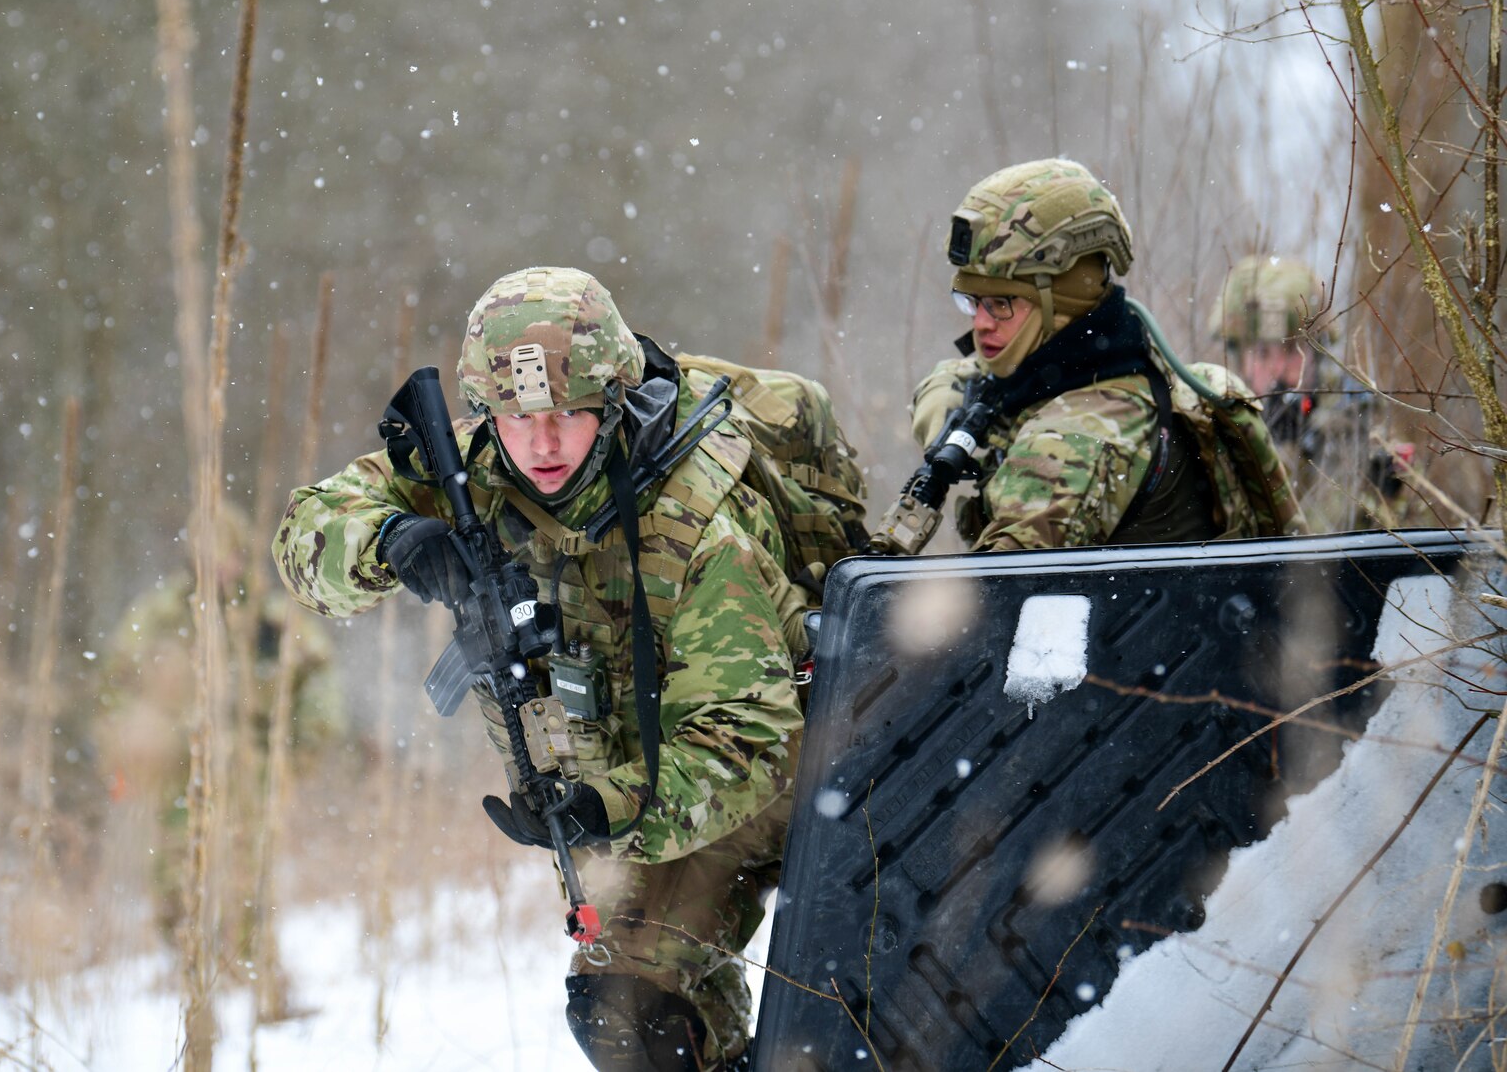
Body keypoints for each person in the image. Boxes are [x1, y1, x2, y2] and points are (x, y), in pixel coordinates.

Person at [273, 266, 866, 1072]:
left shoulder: (696, 526)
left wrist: (605, 806)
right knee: (630, 1014)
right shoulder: (474, 470)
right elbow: (304, 536)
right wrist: (391, 543)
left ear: (613, 401)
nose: (542, 443)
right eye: (517, 419)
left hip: (780, 774)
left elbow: (747, 739)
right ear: (486, 415)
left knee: (645, 1009)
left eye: (568, 415)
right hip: (635, 778)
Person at [905, 159, 1302, 552]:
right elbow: (959, 374)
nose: (981, 324)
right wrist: (944, 410)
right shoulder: (1112, 369)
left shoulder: (1074, 444)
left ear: (1060, 302)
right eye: (971, 302)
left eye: (1001, 303)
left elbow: (989, 607)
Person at [93, 504, 343, 935]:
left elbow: (320, 690)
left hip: (254, 768)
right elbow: (115, 687)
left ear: (243, 555)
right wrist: (129, 755)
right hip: (178, 771)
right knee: (176, 880)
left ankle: (250, 971)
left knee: (248, 880)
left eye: (226, 553)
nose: (218, 564)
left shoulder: (272, 617)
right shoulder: (161, 616)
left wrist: (297, 758)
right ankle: (192, 975)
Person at [1211, 254, 1436, 532]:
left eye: (1293, 350)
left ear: (1318, 352)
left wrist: (1382, 493)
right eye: (1262, 353)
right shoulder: (1211, 426)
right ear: (1236, 359)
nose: (1279, 369)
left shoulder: (1359, 422)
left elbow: (1416, 542)